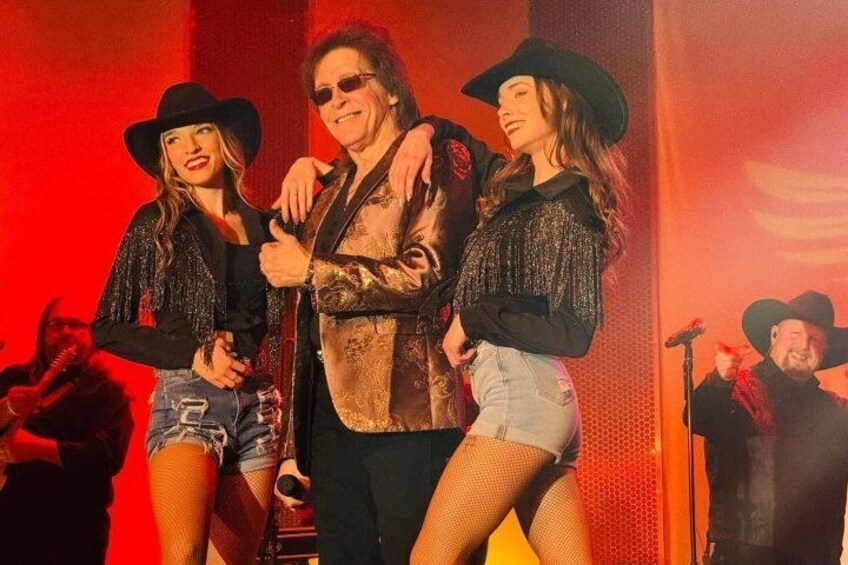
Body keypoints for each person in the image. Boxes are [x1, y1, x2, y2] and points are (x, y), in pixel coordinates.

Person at [259, 22, 477, 565]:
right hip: (330, 413)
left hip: (407, 407)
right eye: (322, 93)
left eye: (350, 83)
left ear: (392, 88)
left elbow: (426, 276)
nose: (335, 101)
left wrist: (312, 269)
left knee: (420, 555)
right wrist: (295, 443)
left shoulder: (432, 155)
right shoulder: (330, 184)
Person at [92, 82, 284, 564]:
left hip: (259, 408)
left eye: (201, 131)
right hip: (187, 402)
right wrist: (195, 354)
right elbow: (107, 326)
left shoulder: (269, 226)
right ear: (165, 157)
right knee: (184, 556)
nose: (189, 147)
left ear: (225, 139)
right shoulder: (157, 223)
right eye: (173, 139)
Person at [689, 290, 848, 565]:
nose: (804, 345)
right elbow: (699, 417)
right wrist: (720, 379)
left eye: (815, 340)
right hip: (746, 556)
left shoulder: (835, 409)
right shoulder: (738, 390)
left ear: (824, 351)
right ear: (774, 335)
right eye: (795, 334)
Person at [0, 296, 133, 564]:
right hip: (8, 524)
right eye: (56, 324)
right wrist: (7, 408)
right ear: (42, 331)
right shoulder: (13, 378)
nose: (65, 331)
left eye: (76, 324)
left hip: (72, 533)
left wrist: (35, 449)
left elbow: (107, 456)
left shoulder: (109, 394)